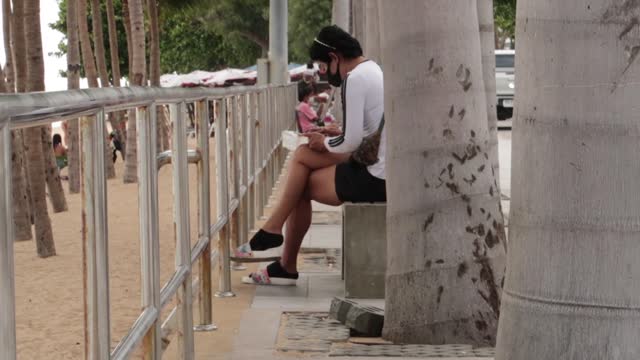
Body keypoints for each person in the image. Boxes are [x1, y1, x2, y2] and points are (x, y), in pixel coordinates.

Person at [235, 25, 386, 286]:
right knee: (303, 159)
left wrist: (325, 141)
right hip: (378, 162)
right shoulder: (372, 69)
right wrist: (333, 132)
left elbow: (350, 142)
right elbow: (365, 131)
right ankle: (276, 242)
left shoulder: (354, 79)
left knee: (302, 170)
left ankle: (279, 248)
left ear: (335, 57)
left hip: (375, 176)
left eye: (323, 66)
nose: (324, 73)